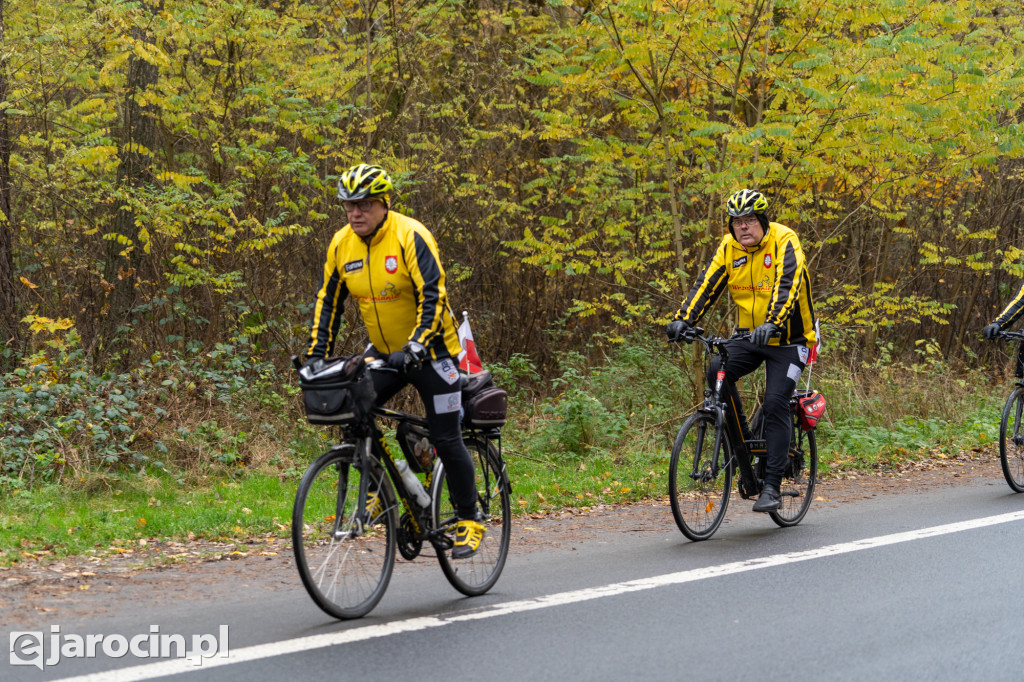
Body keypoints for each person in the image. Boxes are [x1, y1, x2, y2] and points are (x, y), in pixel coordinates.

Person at [304, 163, 484, 559]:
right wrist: (316, 356)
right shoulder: (341, 244)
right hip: (386, 352)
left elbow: (433, 295)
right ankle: (376, 487)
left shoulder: (410, 235)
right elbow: (328, 303)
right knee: (354, 406)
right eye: (349, 205)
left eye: (365, 204)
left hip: (433, 352)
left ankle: (469, 517)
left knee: (445, 436)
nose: (356, 213)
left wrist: (419, 344)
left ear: (384, 204)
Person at [666, 189, 818, 512]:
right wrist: (683, 319)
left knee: (776, 400)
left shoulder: (784, 240)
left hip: (790, 338)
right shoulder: (729, 248)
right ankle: (744, 443)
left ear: (762, 221)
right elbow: (706, 284)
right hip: (752, 335)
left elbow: (787, 285)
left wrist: (774, 322)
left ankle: (773, 486)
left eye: (749, 220)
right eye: (737, 222)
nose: (743, 228)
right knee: (716, 368)